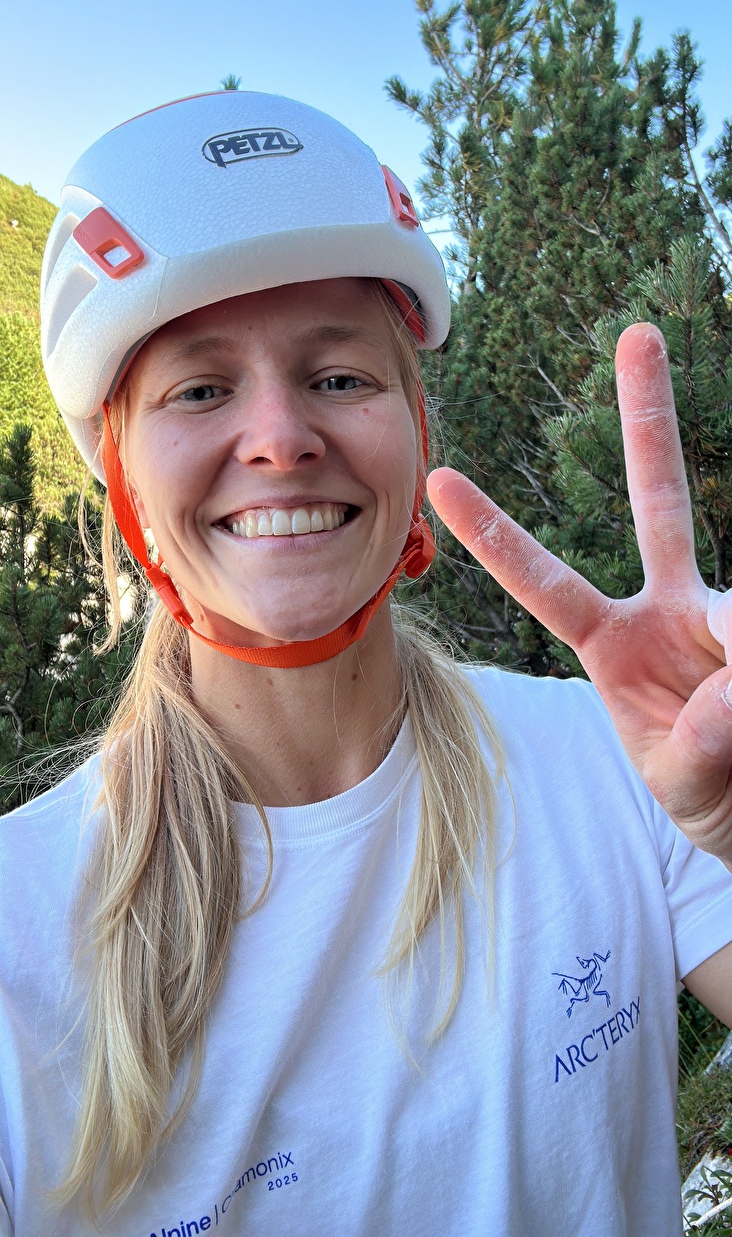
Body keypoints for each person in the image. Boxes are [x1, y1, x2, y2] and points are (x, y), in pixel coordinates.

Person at [0, 89, 730, 1237]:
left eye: (340, 375)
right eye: (201, 388)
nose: (282, 436)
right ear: (124, 477)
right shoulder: (17, 928)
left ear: (414, 429)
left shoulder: (619, 765)